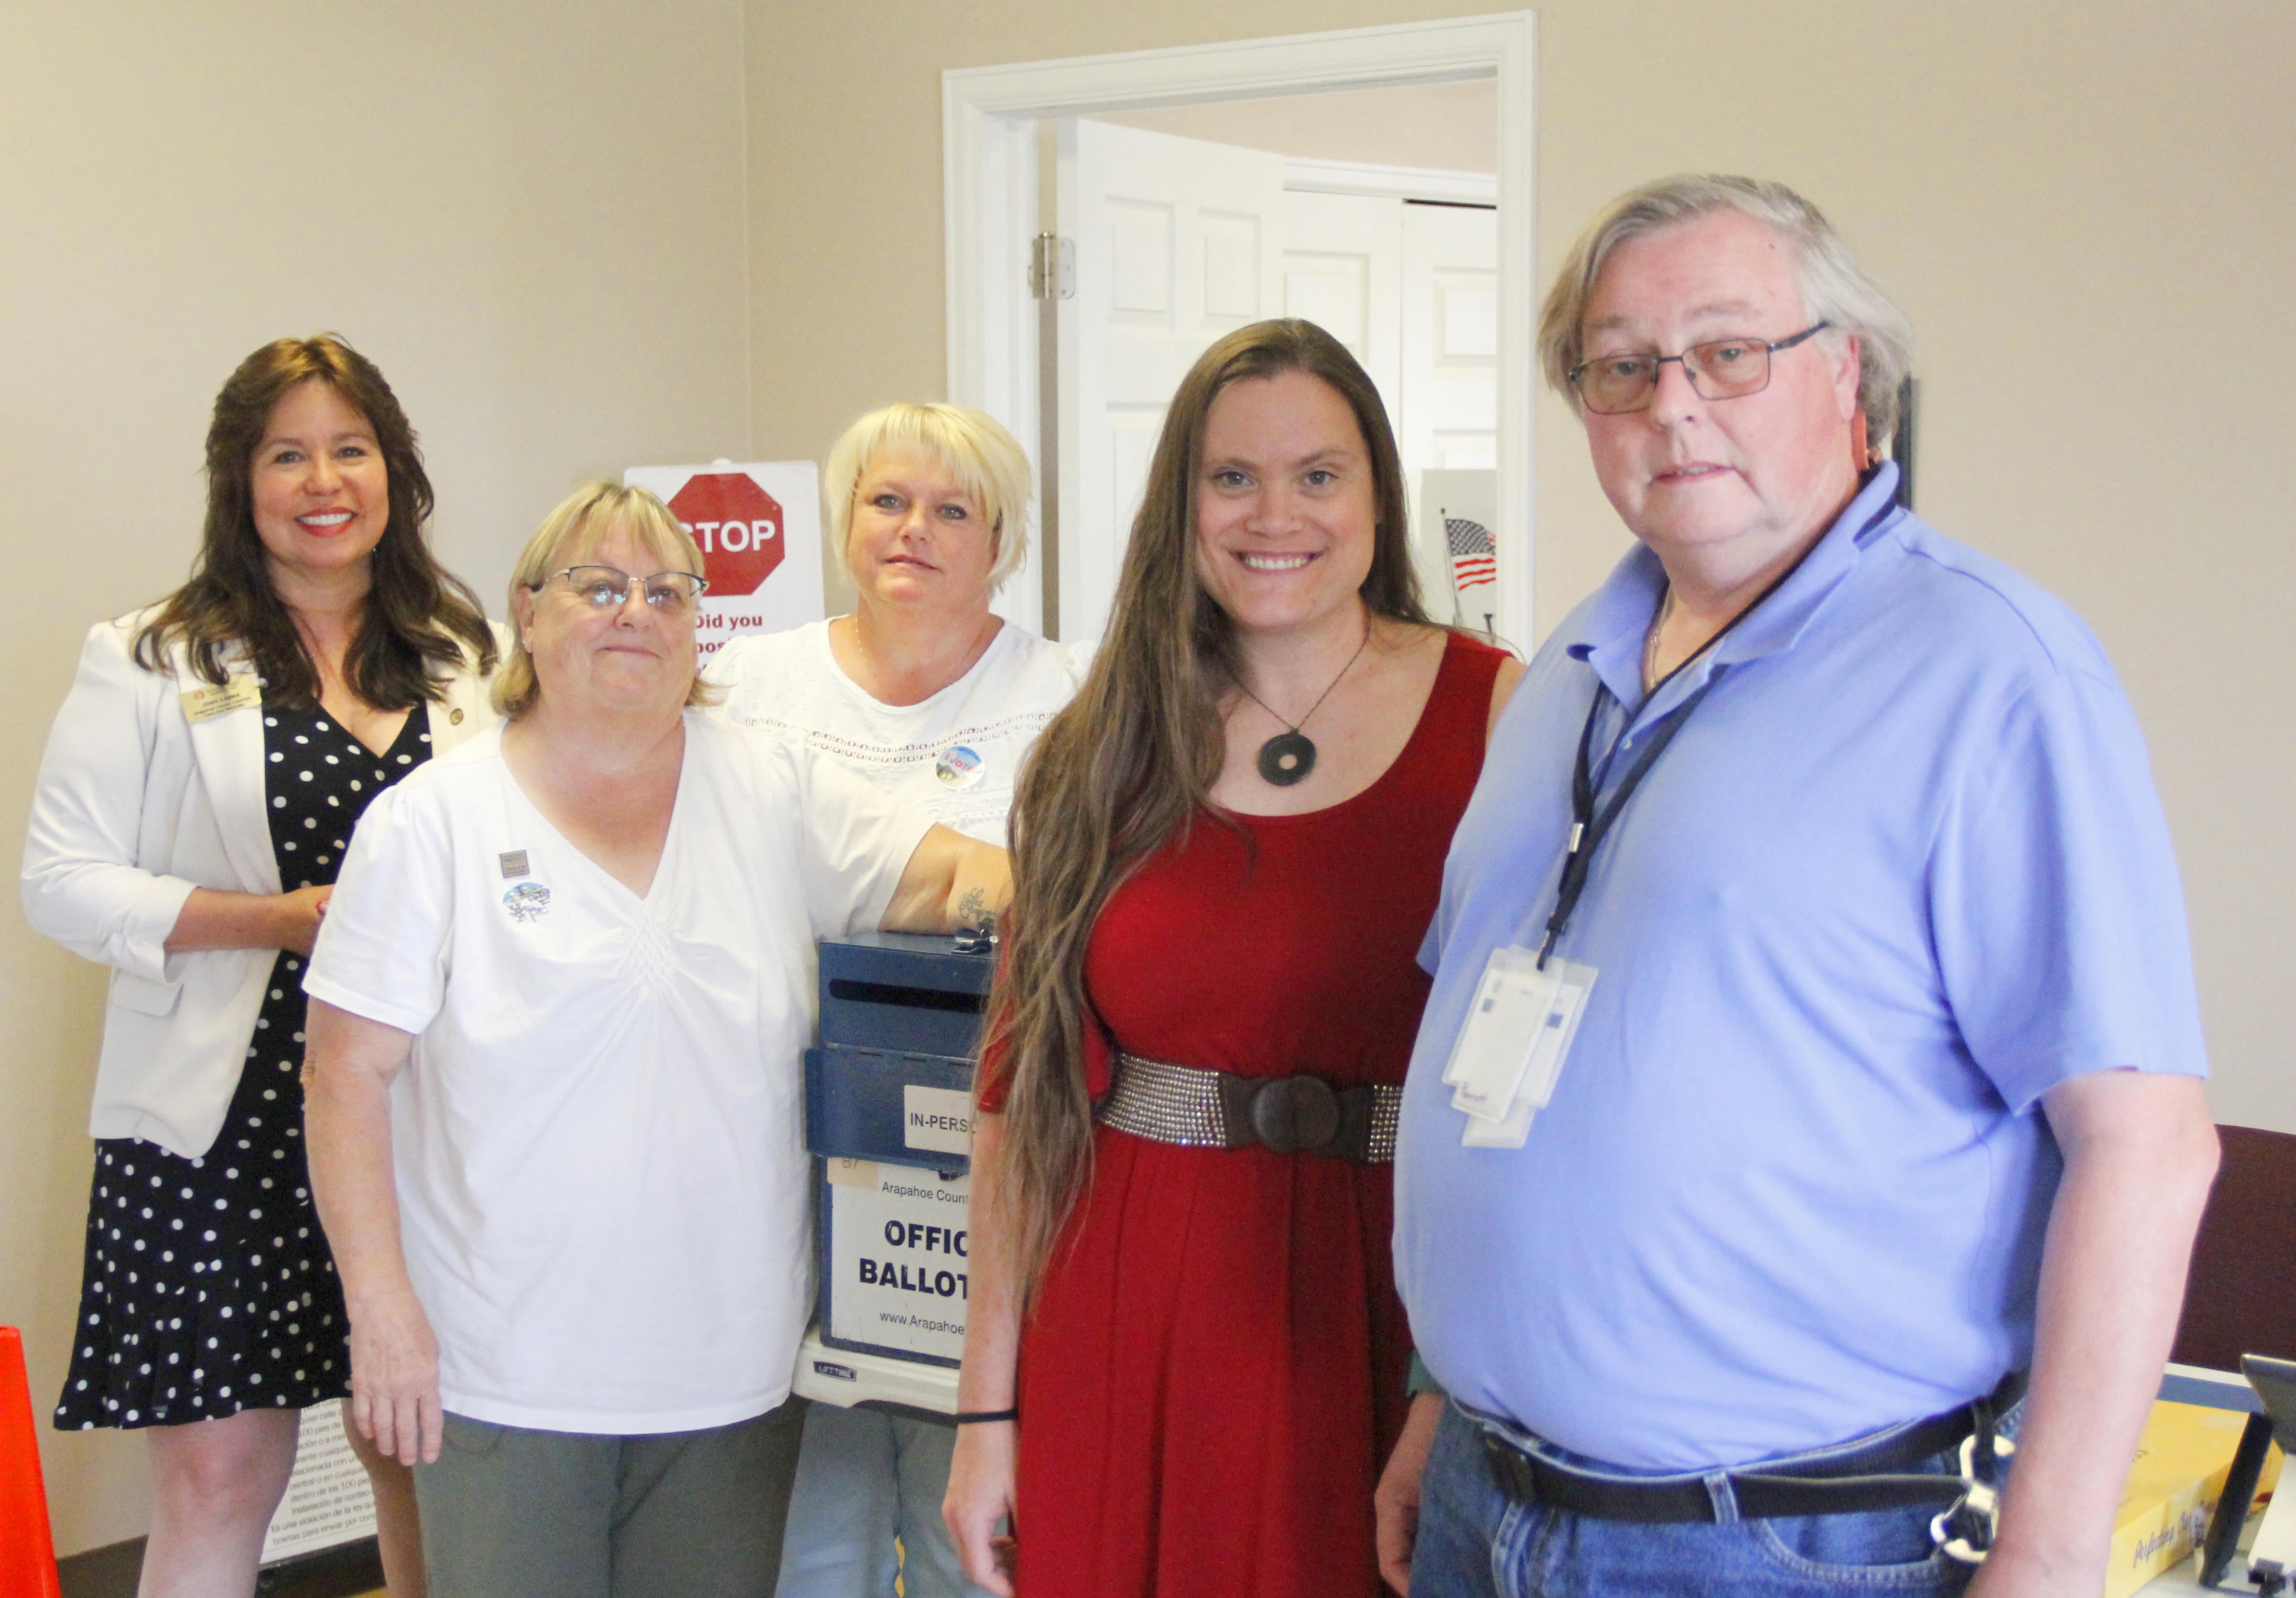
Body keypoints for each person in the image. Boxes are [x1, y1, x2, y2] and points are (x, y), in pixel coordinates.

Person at [1378, 175, 2220, 1598]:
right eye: (1619, 365)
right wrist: (1435, 1397)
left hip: (1780, 1540)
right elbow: (1484, 1065)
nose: (1670, 404)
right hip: (1485, 1490)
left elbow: (2145, 1145)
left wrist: (2049, 1559)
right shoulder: (1562, 675)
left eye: (1726, 350)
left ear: (1847, 373)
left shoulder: (1990, 673)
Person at [299, 483, 1010, 1598]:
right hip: (503, 1375)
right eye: (597, 585)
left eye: (667, 591)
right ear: (526, 614)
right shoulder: (433, 822)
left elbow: (955, 876)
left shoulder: (772, 787)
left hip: (730, 1375)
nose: (634, 610)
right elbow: (342, 1079)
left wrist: (1070, 910)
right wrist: (382, 1320)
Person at [943, 318, 1523, 1598]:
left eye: (1319, 474)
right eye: (1231, 477)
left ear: (1379, 492)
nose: (1277, 514)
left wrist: (1451, 1384)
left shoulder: (1501, 713)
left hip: (1390, 1317)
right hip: (1125, 1311)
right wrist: (988, 1418)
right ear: (1182, 504)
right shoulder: (1101, 744)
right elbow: (1015, 1106)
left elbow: (1532, 1087)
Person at [22, 333, 499, 1597]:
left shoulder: (476, 657)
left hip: (422, 1114)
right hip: (217, 1126)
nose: (322, 480)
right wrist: (279, 919)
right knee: (222, 1481)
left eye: (350, 448)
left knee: (424, 1455)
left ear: (395, 470)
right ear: (238, 482)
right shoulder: (150, 655)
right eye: (286, 454)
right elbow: (61, 882)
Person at [705, 403, 1089, 1598]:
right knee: (805, 1514)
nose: (912, 531)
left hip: (982, 1148)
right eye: (886, 501)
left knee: (958, 1498)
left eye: (951, 509)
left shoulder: (1070, 692)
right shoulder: (741, 684)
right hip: (780, 1132)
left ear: (1002, 538)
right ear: (843, 520)